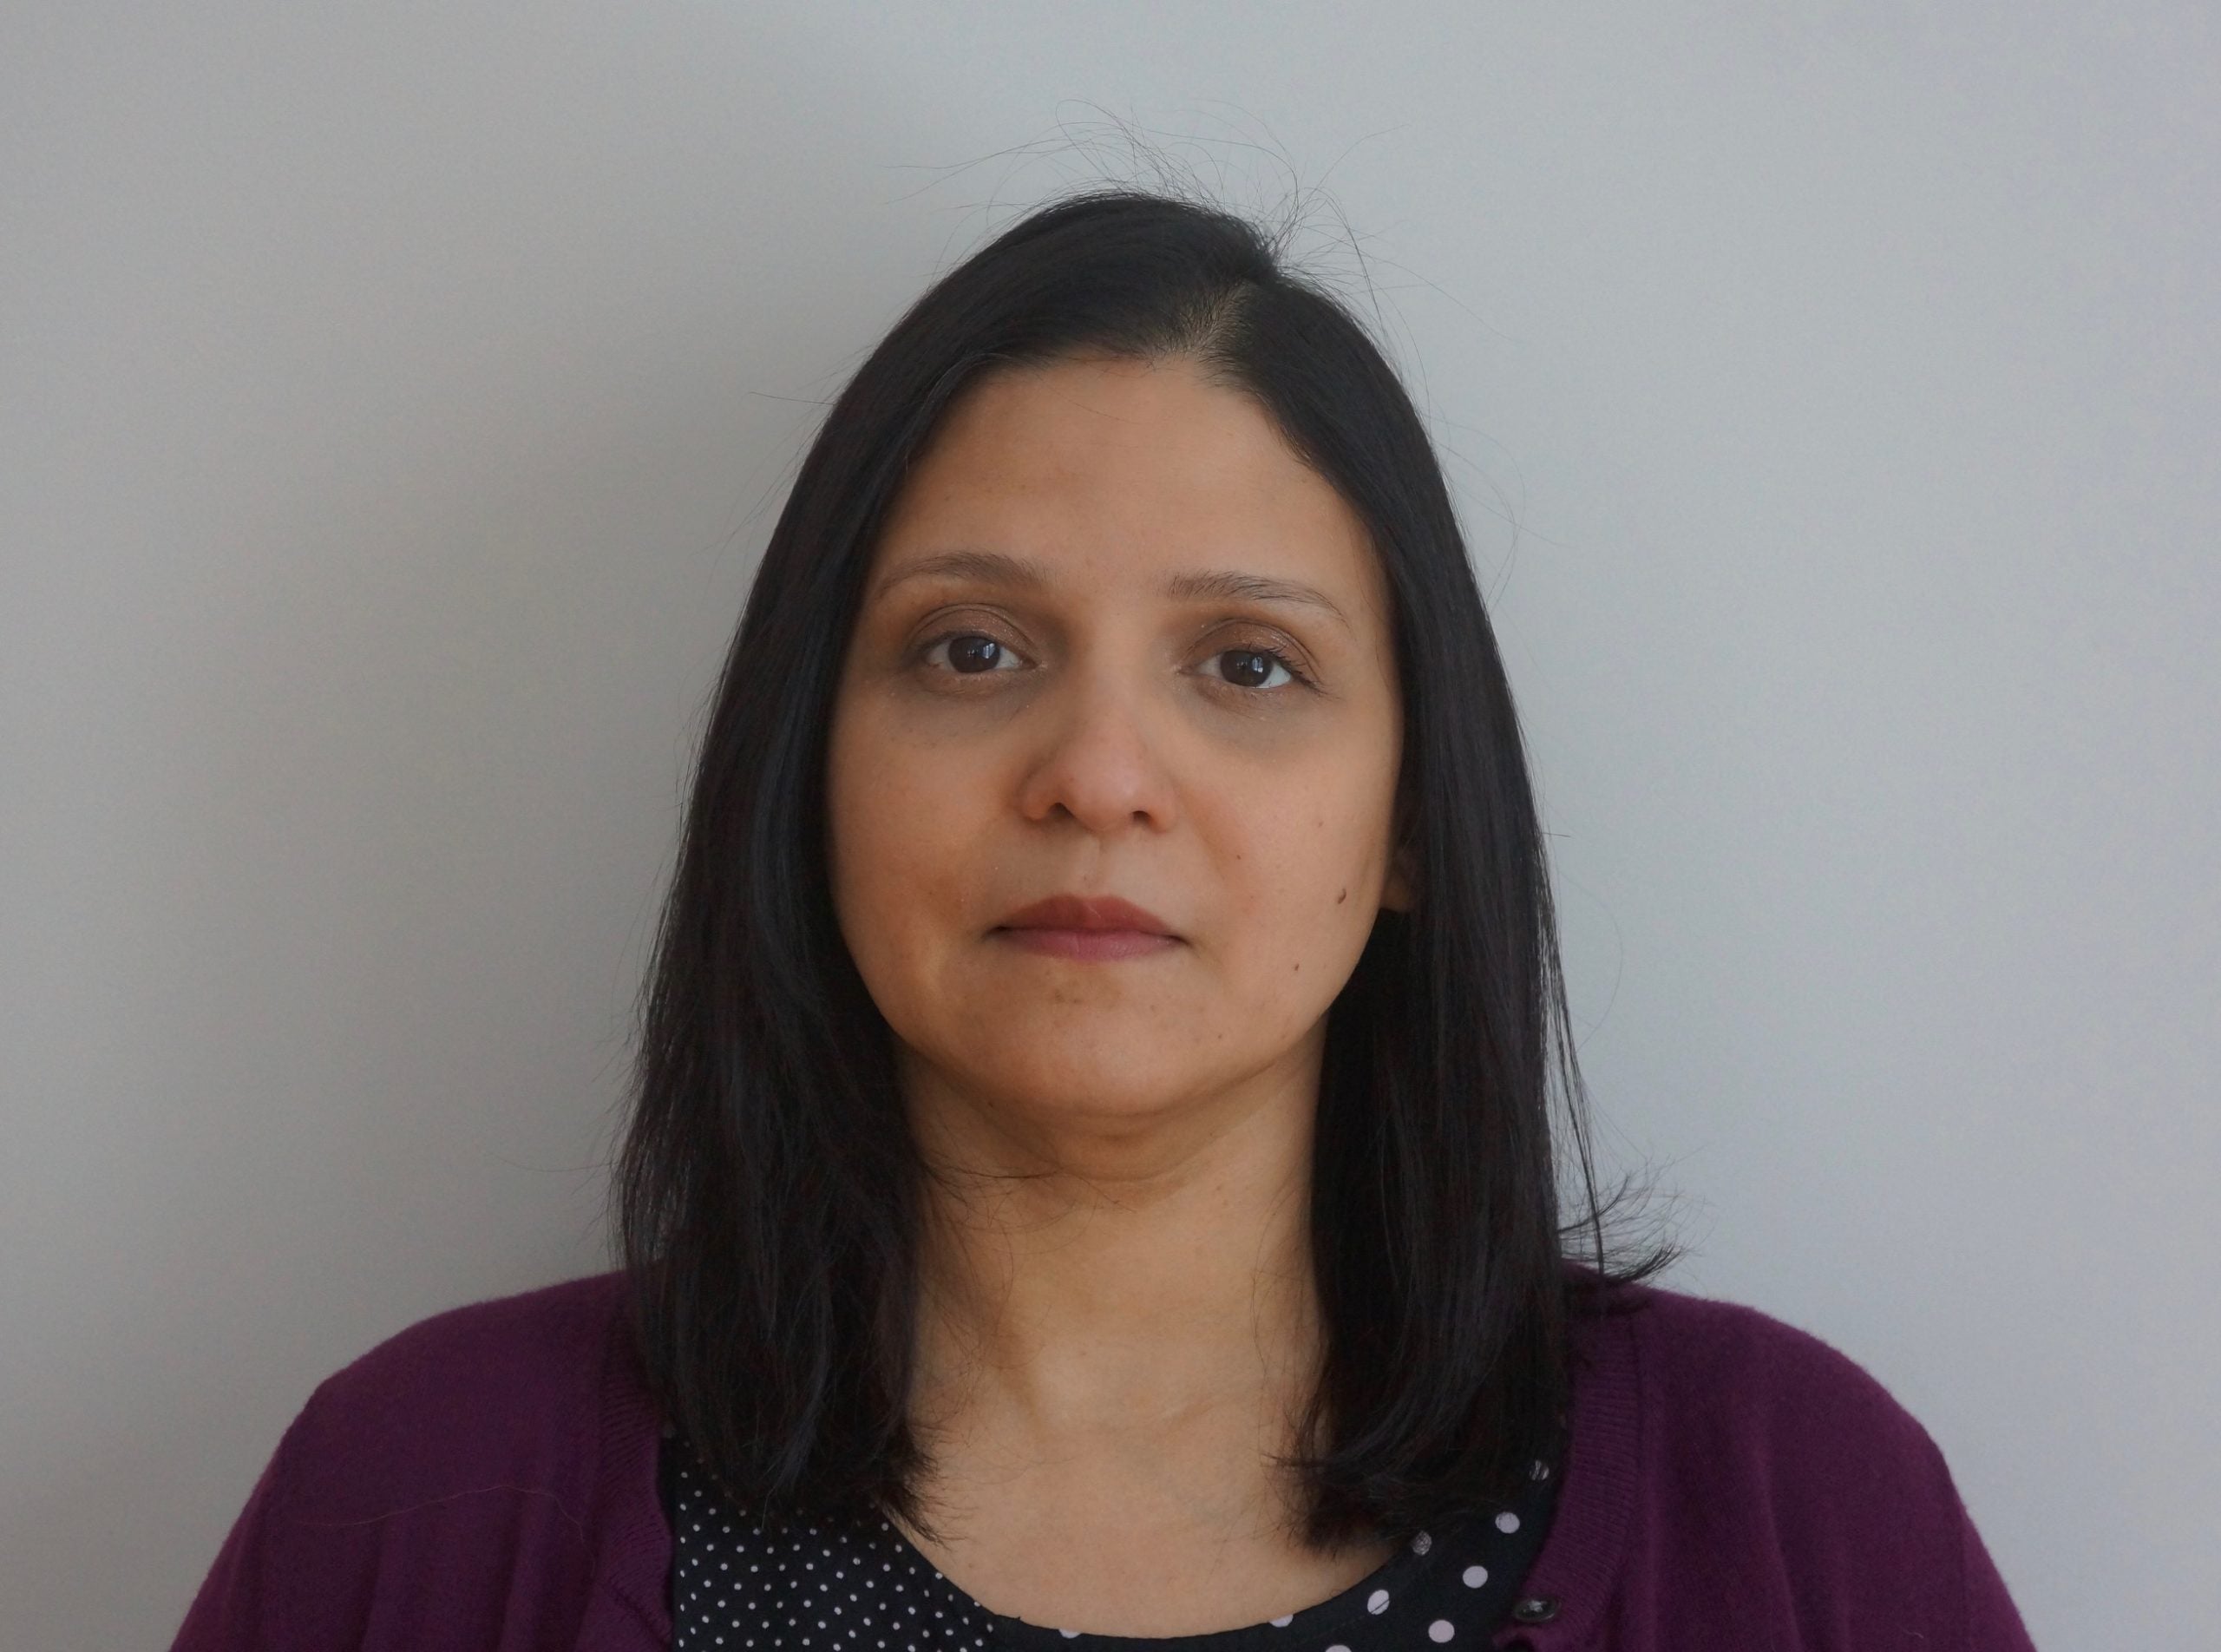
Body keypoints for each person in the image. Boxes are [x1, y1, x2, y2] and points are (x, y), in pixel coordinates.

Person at [171, 187, 2038, 1650]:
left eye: (1248, 663)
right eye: (972, 650)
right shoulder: (411, 1502)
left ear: (1411, 820)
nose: (1096, 774)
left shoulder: (1794, 1508)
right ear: (807, 770)